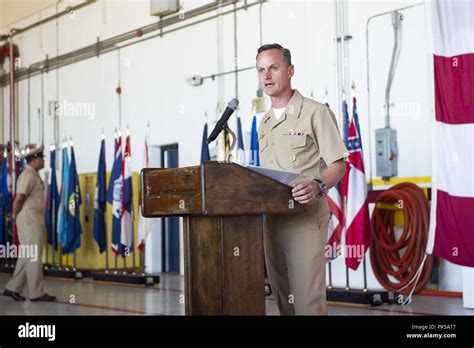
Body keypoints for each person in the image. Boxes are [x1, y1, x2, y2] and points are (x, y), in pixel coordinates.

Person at [256, 43, 347, 315]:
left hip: (305, 219)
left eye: (274, 67)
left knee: (307, 303)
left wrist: (318, 185)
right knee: (284, 301)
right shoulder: (265, 123)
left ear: (290, 70)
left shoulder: (315, 113)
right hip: (273, 221)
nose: (267, 75)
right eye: (261, 70)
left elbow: (338, 165)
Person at [3, 147, 56, 302]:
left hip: (33, 218)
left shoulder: (33, 175)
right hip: (29, 219)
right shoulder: (27, 175)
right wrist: (14, 215)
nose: (44, 160)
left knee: (27, 254)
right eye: (42, 158)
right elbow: (19, 198)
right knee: (33, 254)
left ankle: (12, 288)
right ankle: (36, 292)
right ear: (34, 160)